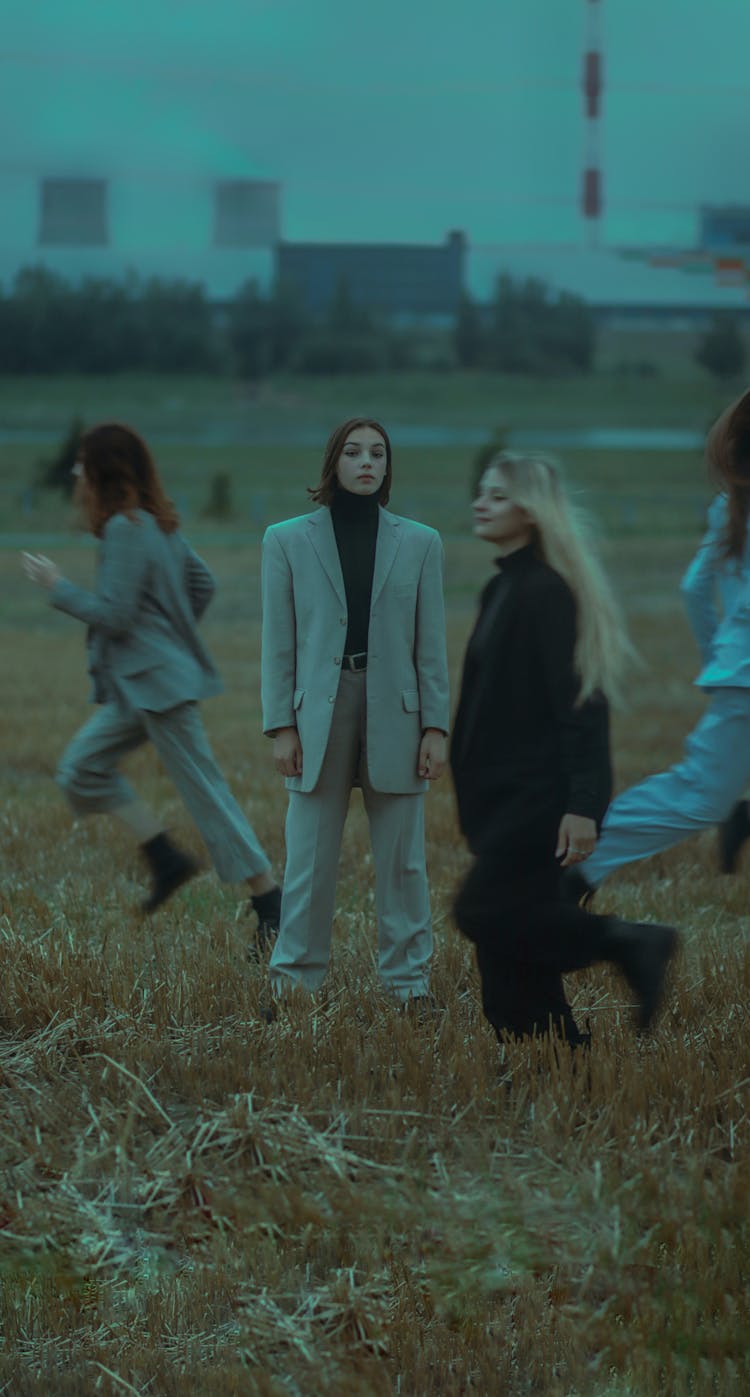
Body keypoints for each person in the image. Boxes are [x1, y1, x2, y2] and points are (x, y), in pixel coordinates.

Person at [21, 421, 281, 943]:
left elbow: (115, 615)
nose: (74, 471)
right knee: (79, 769)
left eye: (81, 462)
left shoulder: (126, 528)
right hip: (141, 686)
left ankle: (273, 904)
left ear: (101, 470)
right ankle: (165, 859)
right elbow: (200, 585)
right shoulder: (159, 526)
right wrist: (170, 635)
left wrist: (57, 586)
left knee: (207, 794)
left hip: (158, 686)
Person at [451, 451, 677, 1046]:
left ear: (531, 511)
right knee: (508, 966)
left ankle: (629, 943)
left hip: (536, 799)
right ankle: (560, 1059)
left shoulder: (546, 593)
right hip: (501, 800)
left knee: (482, 914)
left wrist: (583, 803)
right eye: (482, 492)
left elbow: (581, 707)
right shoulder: (502, 587)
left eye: (497, 495)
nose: (481, 503)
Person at [261, 417, 450, 1003]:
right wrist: (281, 726)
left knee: (403, 863)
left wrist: (436, 727)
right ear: (333, 464)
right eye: (353, 452)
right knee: (309, 861)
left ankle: (408, 986)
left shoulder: (421, 542)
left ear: (388, 466)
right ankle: (294, 983)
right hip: (317, 714)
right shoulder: (286, 539)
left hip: (398, 712)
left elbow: (430, 645)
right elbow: (279, 642)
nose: (366, 461)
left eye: (377, 453)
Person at [567, 387, 750, 899]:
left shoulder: (728, 503)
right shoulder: (731, 507)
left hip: (739, 670)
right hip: (744, 677)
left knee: (705, 794)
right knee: (699, 797)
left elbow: (694, 588)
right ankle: (579, 865)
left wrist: (721, 654)